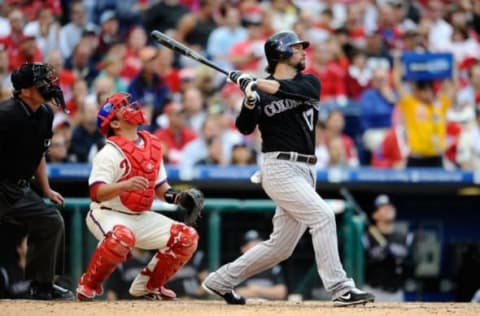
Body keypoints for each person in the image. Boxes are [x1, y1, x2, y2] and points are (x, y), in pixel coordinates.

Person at [202, 31, 374, 307]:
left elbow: (289, 90)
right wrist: (249, 98)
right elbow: (245, 126)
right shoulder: (260, 91)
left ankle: (221, 280)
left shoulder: (309, 82)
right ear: (280, 53)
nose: (303, 52)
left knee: (281, 247)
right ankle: (340, 288)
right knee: (323, 217)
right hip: (279, 168)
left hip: (306, 170)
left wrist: (253, 82)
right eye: (296, 48)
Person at [75, 92, 202, 301]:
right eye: (123, 108)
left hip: (140, 215)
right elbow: (96, 193)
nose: (131, 109)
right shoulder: (109, 152)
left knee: (187, 238)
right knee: (122, 237)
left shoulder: (152, 145)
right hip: (108, 213)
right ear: (114, 123)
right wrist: (125, 185)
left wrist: (179, 198)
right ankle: (89, 285)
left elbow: (161, 188)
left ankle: (148, 286)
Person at [0, 62, 73, 300]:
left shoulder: (45, 114)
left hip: (19, 189)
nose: (49, 85)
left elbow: (39, 154)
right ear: (26, 90)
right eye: (41, 82)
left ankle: (42, 286)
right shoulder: (6, 114)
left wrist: (47, 189)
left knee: (51, 220)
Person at [362, 194, 414, 302]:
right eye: (383, 207)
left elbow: (413, 265)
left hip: (396, 293)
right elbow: (358, 266)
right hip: (372, 291)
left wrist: (401, 258)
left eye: (390, 206)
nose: (388, 209)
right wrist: (379, 256)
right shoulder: (367, 237)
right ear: (375, 215)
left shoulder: (404, 237)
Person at [234, 230, 287, 301]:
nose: (255, 249)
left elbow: (281, 293)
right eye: (251, 246)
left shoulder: (273, 267)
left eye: (258, 245)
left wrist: (256, 290)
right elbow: (238, 293)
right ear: (243, 249)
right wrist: (268, 292)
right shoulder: (239, 269)